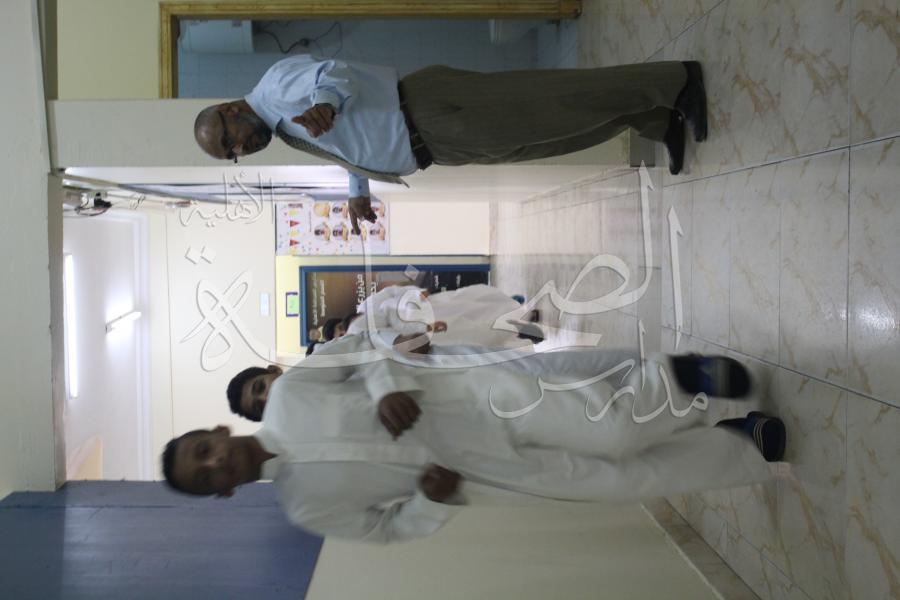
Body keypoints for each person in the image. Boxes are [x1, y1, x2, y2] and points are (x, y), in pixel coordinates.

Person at [164, 333, 785, 544]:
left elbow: (359, 348)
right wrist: (428, 501)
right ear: (222, 493)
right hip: (479, 475)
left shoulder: (291, 393)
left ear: (217, 430)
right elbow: (384, 530)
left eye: (204, 451)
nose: (216, 463)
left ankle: (679, 379)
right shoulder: (305, 509)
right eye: (207, 476)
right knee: (618, 480)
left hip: (470, 401)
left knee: (612, 429)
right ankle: (741, 443)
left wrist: (385, 390)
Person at [194, 57, 707, 233]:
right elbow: (348, 143)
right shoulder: (280, 124)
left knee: (554, 103)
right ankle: (655, 119)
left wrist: (326, 103)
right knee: (548, 138)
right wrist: (358, 189)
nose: (240, 150)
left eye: (229, 141)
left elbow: (334, 75)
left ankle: (674, 81)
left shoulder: (275, 91)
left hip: (430, 111)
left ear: (230, 111)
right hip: (435, 145)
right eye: (232, 154)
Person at [347, 284, 543, 346]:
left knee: (475, 305)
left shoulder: (367, 309)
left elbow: (394, 292)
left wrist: (417, 292)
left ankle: (520, 313)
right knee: (475, 333)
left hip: (426, 308)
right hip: (429, 336)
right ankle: (517, 327)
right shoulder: (361, 340)